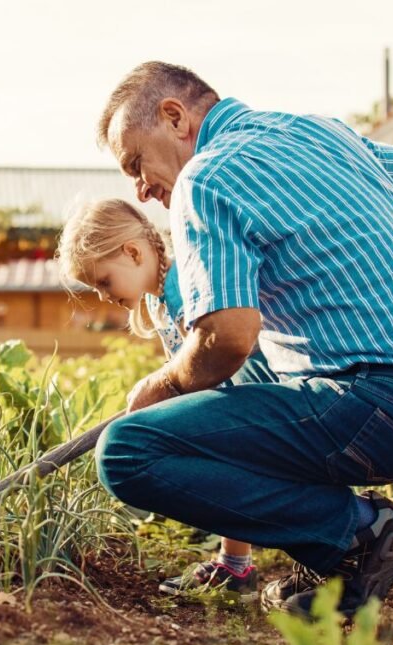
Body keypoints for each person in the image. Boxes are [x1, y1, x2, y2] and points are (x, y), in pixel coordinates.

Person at [92, 61, 393, 617]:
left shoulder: (206, 178)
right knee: (257, 385)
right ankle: (342, 557)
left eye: (135, 162)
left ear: (174, 116)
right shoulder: (323, 131)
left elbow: (226, 339)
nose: (139, 185)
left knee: (130, 450)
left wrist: (157, 389)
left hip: (385, 402)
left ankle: (360, 534)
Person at [58, 198, 259, 601]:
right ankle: (236, 567)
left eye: (103, 282)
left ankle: (246, 564)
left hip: (244, 399)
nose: (102, 296)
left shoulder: (183, 287)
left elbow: (217, 362)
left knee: (210, 464)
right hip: (224, 402)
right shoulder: (158, 296)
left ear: (133, 253)